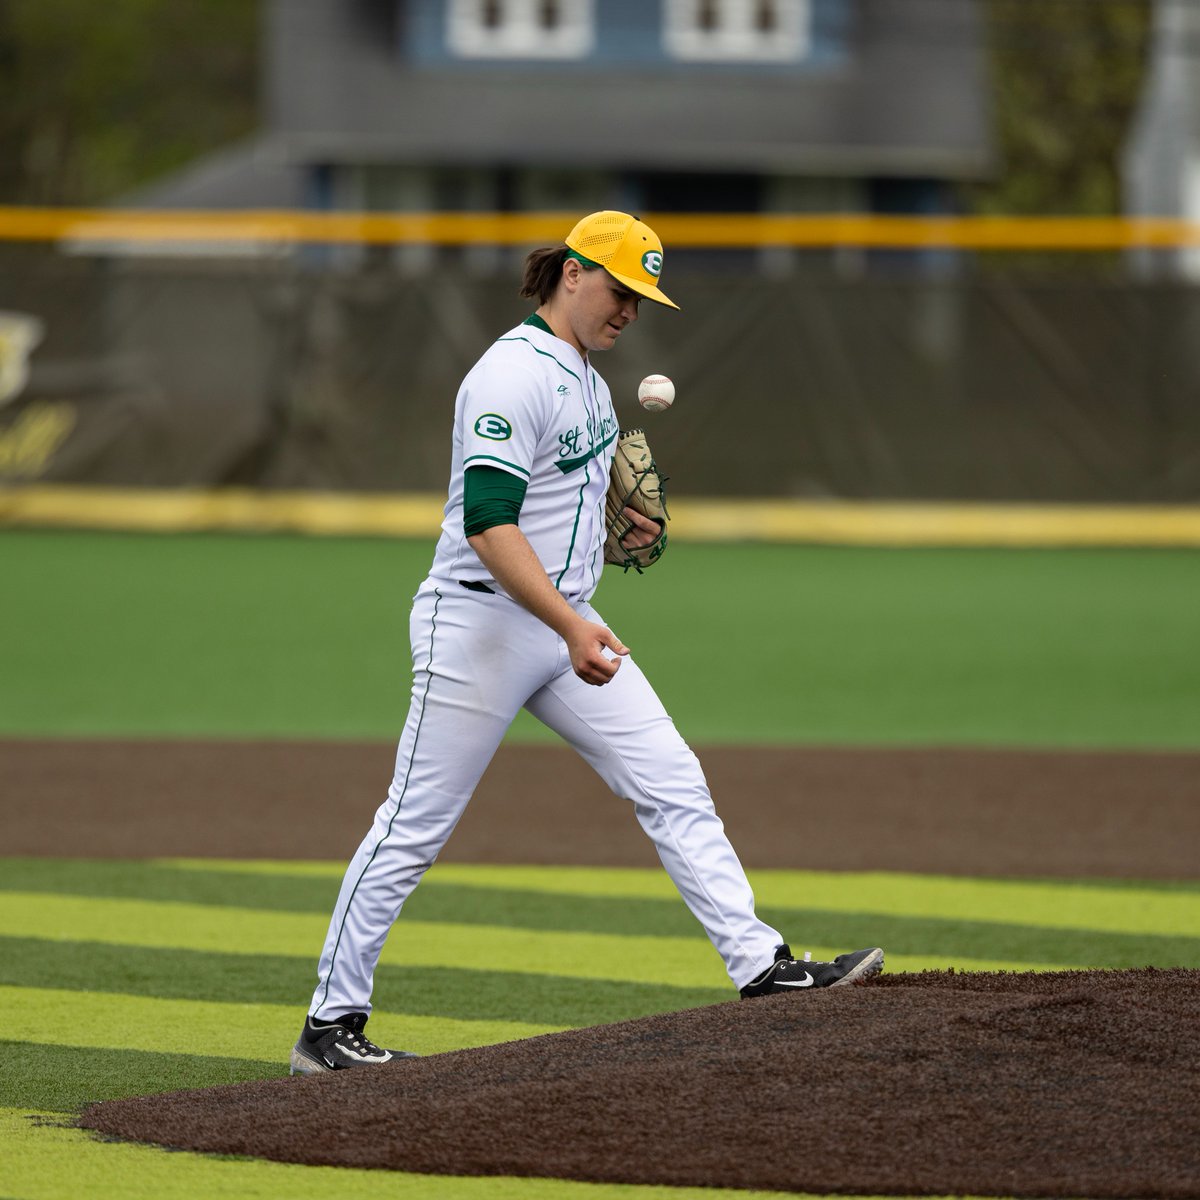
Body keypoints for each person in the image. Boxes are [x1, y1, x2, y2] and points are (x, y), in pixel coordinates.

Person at [289, 211, 884, 1075]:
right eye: (619, 289)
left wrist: (619, 537)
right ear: (572, 273)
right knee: (412, 826)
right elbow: (491, 526)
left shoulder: (590, 382)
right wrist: (570, 623)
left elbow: (562, 516)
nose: (629, 311)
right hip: (481, 627)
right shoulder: (508, 376)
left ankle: (762, 967)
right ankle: (328, 1028)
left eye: (642, 299)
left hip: (563, 623)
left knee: (672, 778)